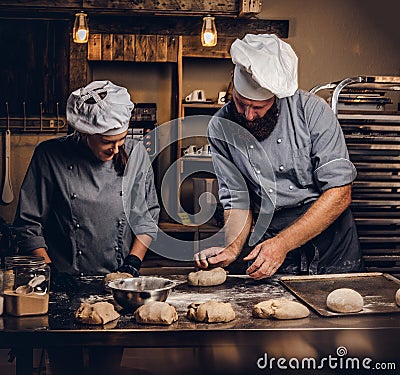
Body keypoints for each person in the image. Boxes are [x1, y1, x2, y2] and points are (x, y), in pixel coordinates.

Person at [13, 80, 160, 373]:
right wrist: (49, 272)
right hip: (62, 282)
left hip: (114, 284)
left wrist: (132, 264)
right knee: (65, 366)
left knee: (106, 366)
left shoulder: (136, 155)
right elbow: (28, 224)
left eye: (121, 140)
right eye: (108, 142)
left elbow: (146, 216)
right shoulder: (49, 156)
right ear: (85, 133)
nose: (117, 148)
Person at [195, 34, 363, 280]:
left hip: (331, 246)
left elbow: (339, 194)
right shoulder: (221, 127)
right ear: (232, 85)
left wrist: (283, 243)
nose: (249, 116)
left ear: (275, 98)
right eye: (241, 104)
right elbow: (238, 201)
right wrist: (232, 248)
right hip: (270, 242)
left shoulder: (313, 111)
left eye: (258, 108)